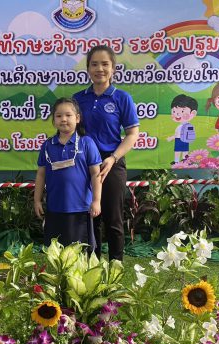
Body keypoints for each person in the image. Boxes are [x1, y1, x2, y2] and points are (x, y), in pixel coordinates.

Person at [73, 45, 139, 261]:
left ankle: (115, 266)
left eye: (104, 64)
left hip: (111, 163)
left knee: (113, 218)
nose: (99, 69)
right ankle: (91, 265)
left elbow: (132, 134)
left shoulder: (122, 98)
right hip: (83, 165)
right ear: (88, 69)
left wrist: (113, 158)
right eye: (94, 64)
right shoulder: (78, 99)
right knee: (89, 217)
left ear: (113, 69)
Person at [34, 97, 102, 249]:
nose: (63, 119)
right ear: (54, 120)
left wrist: (96, 200)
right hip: (54, 208)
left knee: (80, 251)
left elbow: (95, 174)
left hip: (81, 209)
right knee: (56, 251)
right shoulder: (47, 145)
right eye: (58, 116)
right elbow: (41, 175)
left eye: (68, 115)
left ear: (77, 118)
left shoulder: (87, 143)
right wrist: (37, 200)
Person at [167, 94, 198, 164]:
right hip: (182, 140)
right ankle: (178, 161)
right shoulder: (183, 125)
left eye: (182, 111)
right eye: (174, 111)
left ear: (193, 113)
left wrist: (171, 138)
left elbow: (178, 134)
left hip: (182, 139)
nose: (177, 114)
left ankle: (181, 160)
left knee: (181, 151)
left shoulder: (185, 126)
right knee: (181, 151)